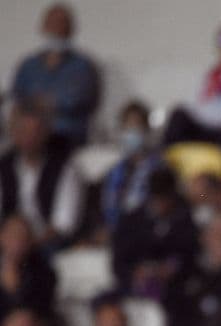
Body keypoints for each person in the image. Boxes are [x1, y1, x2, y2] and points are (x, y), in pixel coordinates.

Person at [10, 4, 100, 148]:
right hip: (31, 143)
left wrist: (44, 104)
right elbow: (18, 100)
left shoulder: (83, 67)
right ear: (43, 27)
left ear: (71, 29)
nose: (57, 30)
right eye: (52, 25)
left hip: (69, 142)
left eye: (62, 25)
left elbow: (79, 101)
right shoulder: (28, 66)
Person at [0, 102, 85, 250]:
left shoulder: (65, 170)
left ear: (46, 133)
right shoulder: (4, 166)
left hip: (46, 243)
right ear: (14, 132)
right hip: (9, 242)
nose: (29, 137)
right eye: (23, 131)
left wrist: (28, 244)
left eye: (35, 131)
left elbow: (64, 225)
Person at [111, 166, 199, 299]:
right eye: (156, 198)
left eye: (165, 198)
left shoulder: (185, 221)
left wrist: (171, 269)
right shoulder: (131, 222)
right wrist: (135, 273)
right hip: (133, 292)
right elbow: (119, 261)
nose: (160, 203)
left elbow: (189, 256)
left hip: (173, 294)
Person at [100, 101, 165, 235]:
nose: (131, 132)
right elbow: (108, 207)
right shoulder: (114, 172)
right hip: (117, 233)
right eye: (127, 127)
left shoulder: (159, 169)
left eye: (136, 126)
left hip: (146, 233)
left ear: (147, 130)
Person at [0, 214, 56, 324]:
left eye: (23, 237)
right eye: (13, 235)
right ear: (2, 236)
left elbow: (42, 311)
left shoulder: (44, 273)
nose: (17, 241)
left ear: (31, 241)